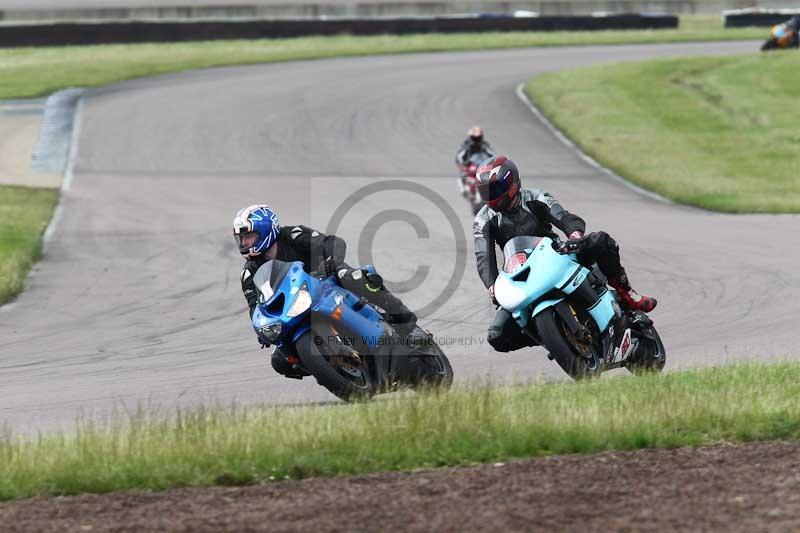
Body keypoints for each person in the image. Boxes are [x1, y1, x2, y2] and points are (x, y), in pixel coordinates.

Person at [471, 155, 657, 355]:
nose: (491, 195)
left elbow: (561, 216)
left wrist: (575, 235)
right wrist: (492, 285)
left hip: (555, 254)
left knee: (600, 240)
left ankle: (627, 294)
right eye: (485, 191)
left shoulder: (535, 196)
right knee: (497, 337)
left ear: (512, 182)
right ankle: (554, 337)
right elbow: (483, 257)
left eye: (495, 189)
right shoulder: (483, 220)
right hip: (521, 271)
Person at [233, 204, 416, 378]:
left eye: (248, 236)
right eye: (241, 238)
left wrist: (329, 262)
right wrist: (262, 330)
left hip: (325, 281)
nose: (244, 243)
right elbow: (254, 307)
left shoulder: (293, 235)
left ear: (266, 231)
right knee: (280, 361)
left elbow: (333, 243)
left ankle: (403, 318)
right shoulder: (249, 273)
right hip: (293, 306)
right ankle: (331, 368)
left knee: (355, 277)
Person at [455, 126, 496, 196]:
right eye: (475, 138)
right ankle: (463, 190)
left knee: (494, 175)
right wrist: (463, 165)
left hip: (482, 165)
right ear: (471, 137)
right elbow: (459, 156)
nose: (476, 140)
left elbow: (493, 154)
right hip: (470, 165)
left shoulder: (484, 145)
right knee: (461, 175)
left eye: (478, 138)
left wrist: (493, 162)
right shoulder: (466, 145)